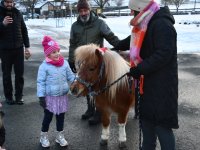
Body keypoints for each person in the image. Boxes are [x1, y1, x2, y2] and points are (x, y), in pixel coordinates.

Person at [127, 0, 179, 149]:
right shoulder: (147, 22)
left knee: (162, 127)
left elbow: (164, 53)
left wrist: (140, 69)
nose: (131, 13)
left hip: (162, 86)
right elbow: (136, 41)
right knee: (147, 124)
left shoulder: (162, 24)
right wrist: (117, 46)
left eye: (132, 10)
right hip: (148, 85)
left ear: (140, 8)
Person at [68, 0, 120, 126]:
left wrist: (120, 46)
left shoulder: (100, 23)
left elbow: (111, 37)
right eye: (81, 11)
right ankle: (90, 109)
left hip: (96, 62)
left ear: (89, 10)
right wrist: (71, 59)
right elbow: (72, 44)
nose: (83, 13)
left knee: (98, 86)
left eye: (85, 10)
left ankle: (99, 112)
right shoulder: (75, 26)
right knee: (86, 84)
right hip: (82, 61)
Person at [37, 36, 75, 148]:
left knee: (61, 117)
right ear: (47, 54)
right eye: (54, 52)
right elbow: (40, 82)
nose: (57, 54)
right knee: (47, 118)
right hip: (50, 97)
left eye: (58, 51)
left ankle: (60, 136)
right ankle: (43, 136)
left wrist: (77, 81)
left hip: (62, 96)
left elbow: (71, 76)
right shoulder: (44, 67)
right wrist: (41, 97)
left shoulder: (65, 63)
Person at [0, 0, 31, 105]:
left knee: (20, 74)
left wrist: (27, 47)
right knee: (6, 75)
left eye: (11, 2)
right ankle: (8, 97)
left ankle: (19, 96)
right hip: (4, 50)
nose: (9, 4)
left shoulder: (18, 13)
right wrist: (2, 24)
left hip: (18, 49)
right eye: (7, 2)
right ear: (3, 2)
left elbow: (24, 30)